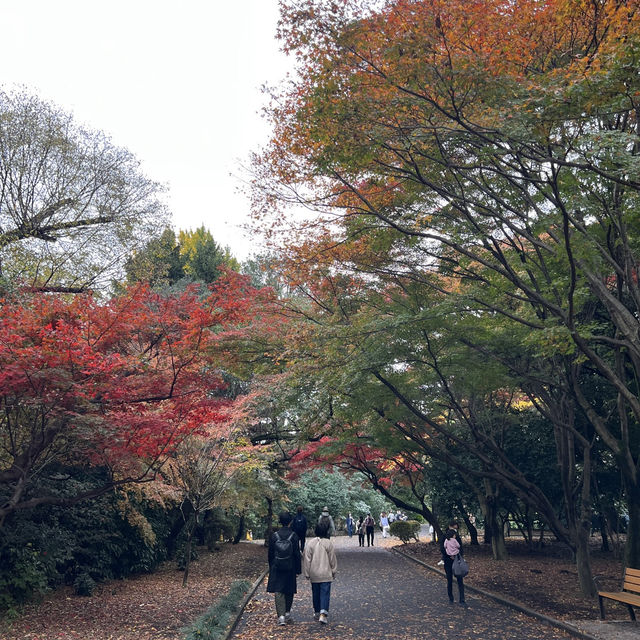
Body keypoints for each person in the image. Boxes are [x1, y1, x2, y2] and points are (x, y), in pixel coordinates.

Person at [267, 511, 302, 625]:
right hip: (290, 565)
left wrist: (271, 565)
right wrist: (298, 569)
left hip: (277, 566)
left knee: (279, 590)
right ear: (290, 522)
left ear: (280, 521)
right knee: (289, 589)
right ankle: (287, 613)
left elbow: (270, 553)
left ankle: (280, 616)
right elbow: (297, 553)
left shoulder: (274, 536)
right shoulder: (294, 535)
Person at [303, 521, 337, 624]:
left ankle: (317, 611)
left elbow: (307, 559)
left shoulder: (310, 543)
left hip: (314, 572)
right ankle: (323, 613)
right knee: (325, 593)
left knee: (316, 592)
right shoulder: (328, 543)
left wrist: (307, 572)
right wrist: (334, 570)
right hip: (326, 573)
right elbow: (332, 559)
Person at [441, 521, 465, 605]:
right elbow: (460, 547)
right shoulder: (452, 536)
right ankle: (459, 599)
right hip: (452, 560)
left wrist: (449, 555)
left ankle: (456, 598)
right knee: (456, 579)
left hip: (450, 560)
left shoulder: (450, 536)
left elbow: (443, 548)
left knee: (452, 579)